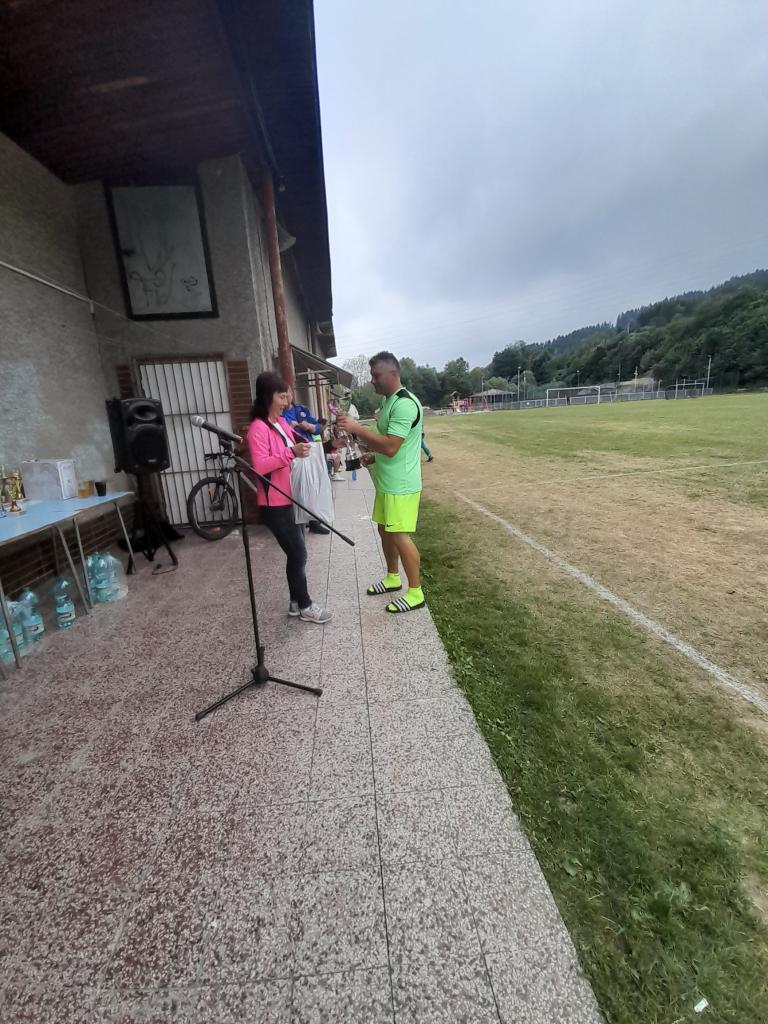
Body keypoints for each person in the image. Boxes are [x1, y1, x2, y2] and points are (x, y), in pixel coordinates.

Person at [337, 351, 425, 613]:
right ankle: (393, 577)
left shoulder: (405, 404)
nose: (372, 381)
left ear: (393, 374)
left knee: (399, 535)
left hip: (402, 485)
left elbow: (391, 447)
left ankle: (416, 592)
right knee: (385, 530)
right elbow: (389, 444)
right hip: (387, 482)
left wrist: (357, 429)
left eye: (376, 376)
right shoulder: (388, 402)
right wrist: (372, 456)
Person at [246, 372, 332, 624]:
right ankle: (305, 605)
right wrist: (290, 453)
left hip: (291, 496)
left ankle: (295, 603)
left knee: (297, 552)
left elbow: (301, 445)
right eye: (282, 396)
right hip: (274, 503)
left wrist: (328, 447)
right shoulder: (258, 428)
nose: (287, 401)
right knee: (298, 553)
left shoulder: (281, 423)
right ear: (267, 397)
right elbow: (260, 466)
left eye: (287, 396)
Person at [284, 387, 329, 534]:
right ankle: (298, 520)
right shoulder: (278, 414)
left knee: (312, 486)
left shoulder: (301, 409)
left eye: (288, 393)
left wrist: (309, 426)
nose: (287, 397)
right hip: (291, 454)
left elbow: (319, 428)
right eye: (283, 394)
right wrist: (289, 428)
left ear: (292, 394)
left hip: (308, 452)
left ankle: (314, 521)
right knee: (296, 488)